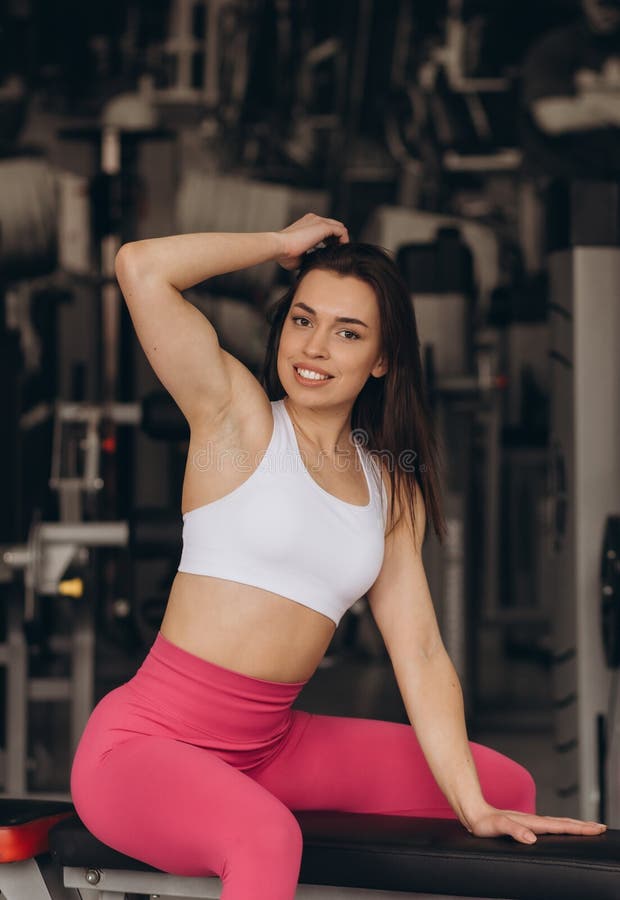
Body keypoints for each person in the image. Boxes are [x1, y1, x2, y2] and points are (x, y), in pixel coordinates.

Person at [70, 214, 606, 900]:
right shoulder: (237, 421)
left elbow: (418, 652)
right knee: (265, 839)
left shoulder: (392, 485)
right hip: (145, 746)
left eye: (348, 332)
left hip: (271, 749)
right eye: (303, 320)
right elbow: (141, 267)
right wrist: (278, 246)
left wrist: (472, 806)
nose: (315, 347)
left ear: (382, 359)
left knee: (503, 788)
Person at [521, 0, 620, 179]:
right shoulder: (556, 46)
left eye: (615, 3)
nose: (608, 10)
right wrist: (610, 108)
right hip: (569, 177)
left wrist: (587, 104)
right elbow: (553, 118)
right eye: (600, 3)